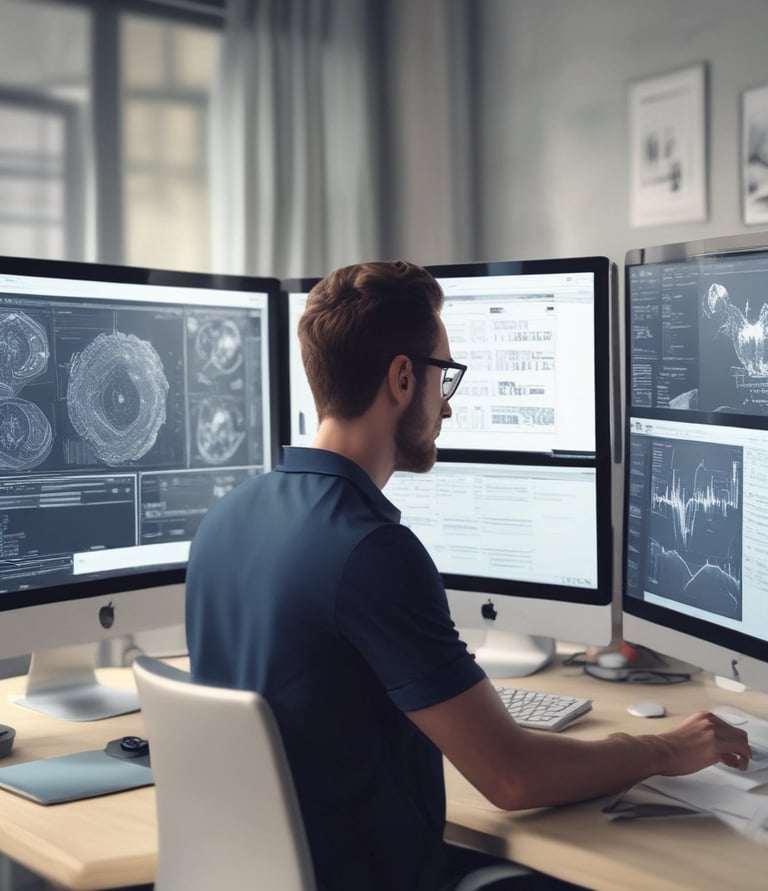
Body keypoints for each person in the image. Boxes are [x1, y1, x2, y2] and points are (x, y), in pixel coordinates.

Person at [185, 260, 751, 891]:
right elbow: (514, 778)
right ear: (403, 378)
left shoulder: (225, 519)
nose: (447, 409)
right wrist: (666, 750)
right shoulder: (371, 551)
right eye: (444, 377)